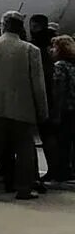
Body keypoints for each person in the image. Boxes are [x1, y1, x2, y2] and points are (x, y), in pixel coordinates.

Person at [0, 12, 49, 200]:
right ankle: (24, 189)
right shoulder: (31, 50)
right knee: (25, 149)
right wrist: (42, 111)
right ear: (20, 27)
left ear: (3, 25)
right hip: (23, 109)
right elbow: (38, 85)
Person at [49, 35, 75, 184]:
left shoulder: (59, 66)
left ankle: (61, 171)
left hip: (65, 109)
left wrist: (56, 112)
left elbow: (59, 90)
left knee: (62, 142)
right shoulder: (72, 65)